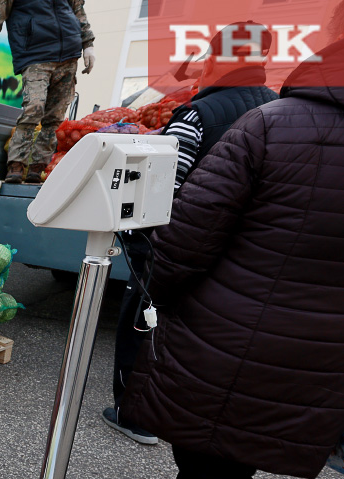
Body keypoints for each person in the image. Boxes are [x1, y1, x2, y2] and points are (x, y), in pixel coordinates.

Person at [120, 38, 344, 479]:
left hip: (232, 325)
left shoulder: (271, 125)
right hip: (321, 346)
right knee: (215, 436)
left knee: (216, 449)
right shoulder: (266, 116)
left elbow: (190, 232)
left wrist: (157, 290)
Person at [102, 22, 279, 445]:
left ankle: (134, 415)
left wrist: (136, 233)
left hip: (181, 243)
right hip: (243, 253)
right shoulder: (276, 110)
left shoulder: (200, 113)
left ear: (217, 60)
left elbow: (166, 187)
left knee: (142, 322)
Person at [0, 0, 95, 183]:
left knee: (54, 119)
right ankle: (16, 165)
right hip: (35, 56)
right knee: (34, 109)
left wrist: (88, 44)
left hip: (68, 56)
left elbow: (78, 10)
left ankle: (37, 168)